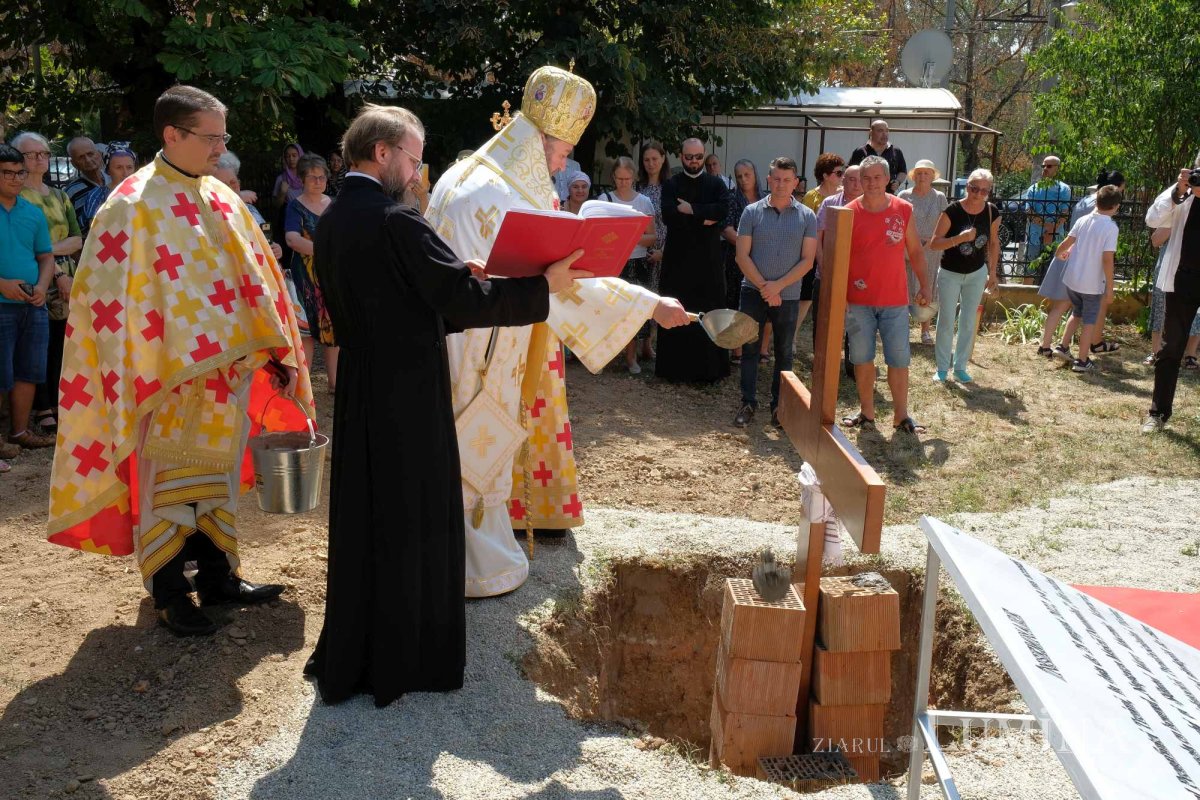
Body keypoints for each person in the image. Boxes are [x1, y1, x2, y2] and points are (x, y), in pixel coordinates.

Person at [306, 104, 588, 707]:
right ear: (381, 153)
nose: (416, 173)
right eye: (411, 158)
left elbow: (405, 292)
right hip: (407, 390)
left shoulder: (333, 219)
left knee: (366, 516)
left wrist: (456, 276)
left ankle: (356, 649)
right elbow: (460, 301)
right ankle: (405, 656)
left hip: (359, 387)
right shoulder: (394, 222)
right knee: (412, 517)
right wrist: (545, 287)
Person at [45, 85, 313, 636]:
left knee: (216, 483)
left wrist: (274, 351)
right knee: (165, 487)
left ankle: (219, 577)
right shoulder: (130, 205)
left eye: (223, 137)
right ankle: (169, 593)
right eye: (212, 137)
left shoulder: (223, 198)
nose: (221, 148)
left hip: (226, 377)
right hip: (162, 380)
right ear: (173, 134)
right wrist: (150, 362)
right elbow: (106, 302)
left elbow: (256, 284)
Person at [424, 66, 689, 596]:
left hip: (461, 334)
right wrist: (648, 304)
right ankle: (477, 566)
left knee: (457, 442)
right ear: (538, 140)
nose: (563, 164)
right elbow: (558, 285)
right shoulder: (501, 192)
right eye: (563, 152)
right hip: (483, 344)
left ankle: (448, 555)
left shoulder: (471, 173)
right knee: (477, 441)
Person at [840, 156, 930, 433]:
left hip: (894, 301)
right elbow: (839, 258)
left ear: (888, 179)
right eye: (866, 178)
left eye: (878, 177)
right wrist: (842, 296)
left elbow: (914, 251)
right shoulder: (849, 212)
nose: (872, 183)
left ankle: (901, 416)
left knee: (899, 359)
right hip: (858, 303)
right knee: (862, 358)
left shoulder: (903, 209)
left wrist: (924, 285)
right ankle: (867, 412)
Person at [732, 156, 817, 428]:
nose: (781, 184)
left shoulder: (807, 216)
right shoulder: (752, 212)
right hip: (752, 291)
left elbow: (808, 260)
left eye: (787, 180)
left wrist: (777, 287)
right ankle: (747, 402)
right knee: (750, 349)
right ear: (768, 180)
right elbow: (741, 256)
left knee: (784, 352)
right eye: (776, 179)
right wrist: (764, 287)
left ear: (795, 183)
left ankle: (779, 408)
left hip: (788, 295)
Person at [14, 132, 83, 433]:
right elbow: (23, 244)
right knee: (37, 344)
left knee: (62, 343)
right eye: (31, 154)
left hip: (66, 273)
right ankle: (42, 407)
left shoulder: (60, 196)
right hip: (37, 277)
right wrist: (53, 263)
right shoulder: (15, 197)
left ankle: (59, 402)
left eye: (43, 153)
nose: (40, 158)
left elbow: (77, 238)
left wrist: (46, 249)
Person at [656, 137, 731, 383]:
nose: (694, 161)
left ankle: (710, 372)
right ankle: (674, 371)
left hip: (708, 262)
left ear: (704, 155)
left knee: (708, 311)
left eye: (699, 157)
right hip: (678, 260)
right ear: (681, 156)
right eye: (689, 157)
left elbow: (722, 211)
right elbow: (669, 217)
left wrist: (692, 210)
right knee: (677, 310)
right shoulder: (671, 184)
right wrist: (704, 219)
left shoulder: (716, 183)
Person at [0, 143, 56, 458]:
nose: (16, 179)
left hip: (33, 303)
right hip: (1, 303)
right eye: (7, 173)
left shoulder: (32, 213)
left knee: (29, 369)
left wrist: (42, 286)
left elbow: (46, 256)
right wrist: (2, 284)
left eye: (20, 172)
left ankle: (20, 432)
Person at [1036, 170, 1126, 358]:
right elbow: (1104, 254)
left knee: (1065, 307)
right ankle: (1089, 348)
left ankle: (1048, 346)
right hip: (1084, 267)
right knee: (1081, 312)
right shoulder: (1102, 215)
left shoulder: (1085, 201)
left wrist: (1061, 253)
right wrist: (1110, 286)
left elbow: (1071, 237)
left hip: (1070, 260)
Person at [1142, 167, 1200, 432]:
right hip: (1183, 279)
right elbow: (1153, 220)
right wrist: (1179, 191)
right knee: (1170, 347)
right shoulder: (1184, 193)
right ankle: (1158, 413)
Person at [928, 168, 999, 382]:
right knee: (947, 320)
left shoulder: (991, 211)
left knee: (968, 320)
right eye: (974, 188)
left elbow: (994, 243)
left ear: (989, 192)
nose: (978, 194)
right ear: (967, 186)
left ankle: (960, 367)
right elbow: (934, 243)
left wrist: (993, 273)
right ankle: (941, 368)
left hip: (977, 273)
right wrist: (959, 239)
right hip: (950, 272)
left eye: (984, 191)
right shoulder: (953, 211)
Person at [597, 157, 658, 374]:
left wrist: (631, 236)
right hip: (613, 262)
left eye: (628, 178)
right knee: (610, 309)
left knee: (633, 310)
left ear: (634, 177)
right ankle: (605, 355)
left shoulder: (644, 202)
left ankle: (631, 358)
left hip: (637, 262)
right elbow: (598, 233)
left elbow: (652, 237)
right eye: (620, 178)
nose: (624, 182)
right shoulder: (605, 199)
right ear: (613, 177)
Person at [284, 153, 338, 393]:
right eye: (312, 177)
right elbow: (292, 239)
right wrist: (326, 251)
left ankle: (335, 383)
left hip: (332, 276)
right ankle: (304, 387)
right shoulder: (294, 206)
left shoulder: (336, 204)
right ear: (302, 179)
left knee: (333, 330)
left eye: (322, 177)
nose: (318, 181)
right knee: (305, 332)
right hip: (304, 277)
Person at [898, 159, 948, 346]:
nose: (922, 176)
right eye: (919, 173)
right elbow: (897, 220)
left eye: (926, 173)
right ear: (913, 176)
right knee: (905, 285)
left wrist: (929, 243)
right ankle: (903, 329)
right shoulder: (903, 195)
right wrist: (909, 243)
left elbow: (943, 222)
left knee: (926, 284)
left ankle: (925, 331)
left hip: (931, 248)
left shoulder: (939, 197)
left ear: (932, 176)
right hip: (906, 246)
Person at [721, 159, 762, 361]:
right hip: (737, 259)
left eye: (748, 174)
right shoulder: (731, 198)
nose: (744, 179)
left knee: (761, 303)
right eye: (739, 176)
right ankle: (737, 349)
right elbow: (727, 229)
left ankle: (760, 348)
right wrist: (747, 245)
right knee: (737, 301)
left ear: (755, 174)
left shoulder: (767, 198)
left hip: (763, 260)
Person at [212, 152, 284, 262]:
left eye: (233, 183)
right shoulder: (210, 214)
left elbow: (265, 237)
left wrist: (275, 248)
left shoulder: (250, 208)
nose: (230, 188)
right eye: (223, 185)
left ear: (239, 183)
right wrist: (236, 201)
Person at [77, 144, 138, 240]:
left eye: (129, 167)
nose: (125, 173)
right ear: (108, 170)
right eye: (119, 167)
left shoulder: (143, 193)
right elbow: (96, 232)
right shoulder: (97, 196)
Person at [1021, 155, 1072, 265]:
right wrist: (1046, 226)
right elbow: (1029, 210)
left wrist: (1051, 231)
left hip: (1057, 239)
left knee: (1054, 272)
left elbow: (1065, 213)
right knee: (1029, 271)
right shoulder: (1033, 189)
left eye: (1049, 166)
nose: (1045, 168)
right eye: (1043, 166)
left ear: (1057, 168)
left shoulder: (1064, 189)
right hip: (1034, 237)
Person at [848, 120, 906, 192]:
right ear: (871, 132)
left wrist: (898, 181)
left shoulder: (896, 151)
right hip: (865, 195)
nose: (885, 134)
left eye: (887, 131)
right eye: (880, 131)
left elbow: (902, 171)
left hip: (888, 196)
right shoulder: (860, 151)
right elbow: (850, 172)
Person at [63, 137, 110, 221]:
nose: (88, 160)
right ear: (74, 164)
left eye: (90, 154)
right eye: (81, 157)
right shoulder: (70, 192)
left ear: (99, 154)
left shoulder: (114, 180)